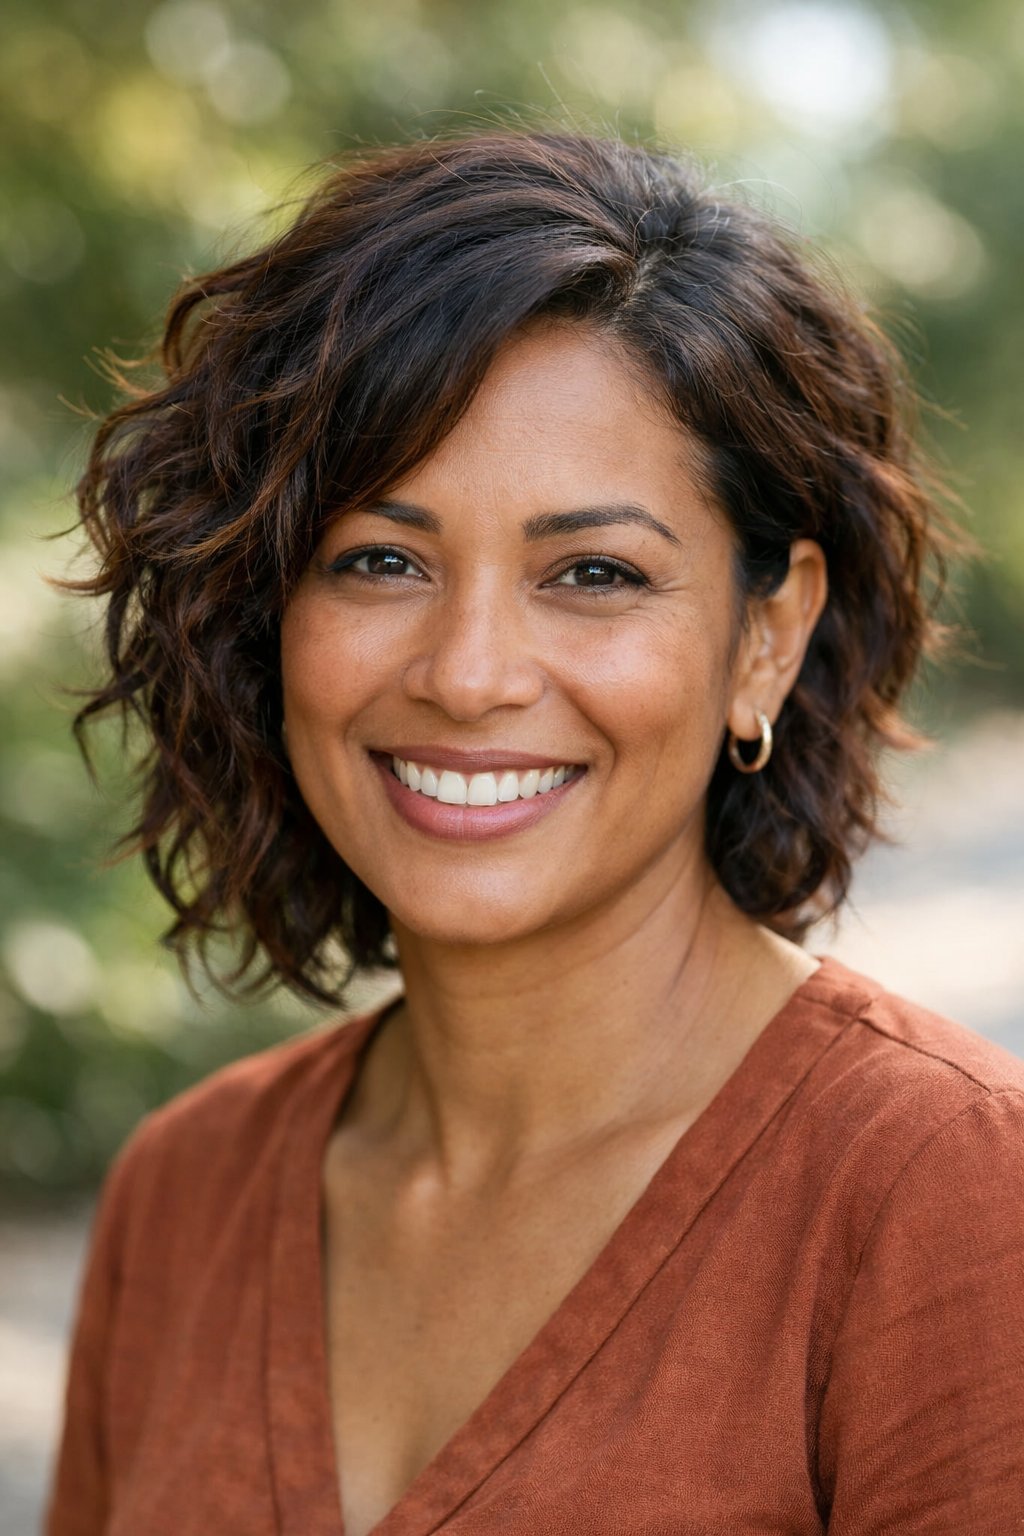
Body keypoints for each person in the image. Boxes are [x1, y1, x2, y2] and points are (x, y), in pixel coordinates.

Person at [47, 130, 1024, 1536]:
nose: (468, 671)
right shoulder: (185, 1193)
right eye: (381, 559)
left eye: (594, 573)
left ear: (766, 637)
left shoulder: (950, 1202)